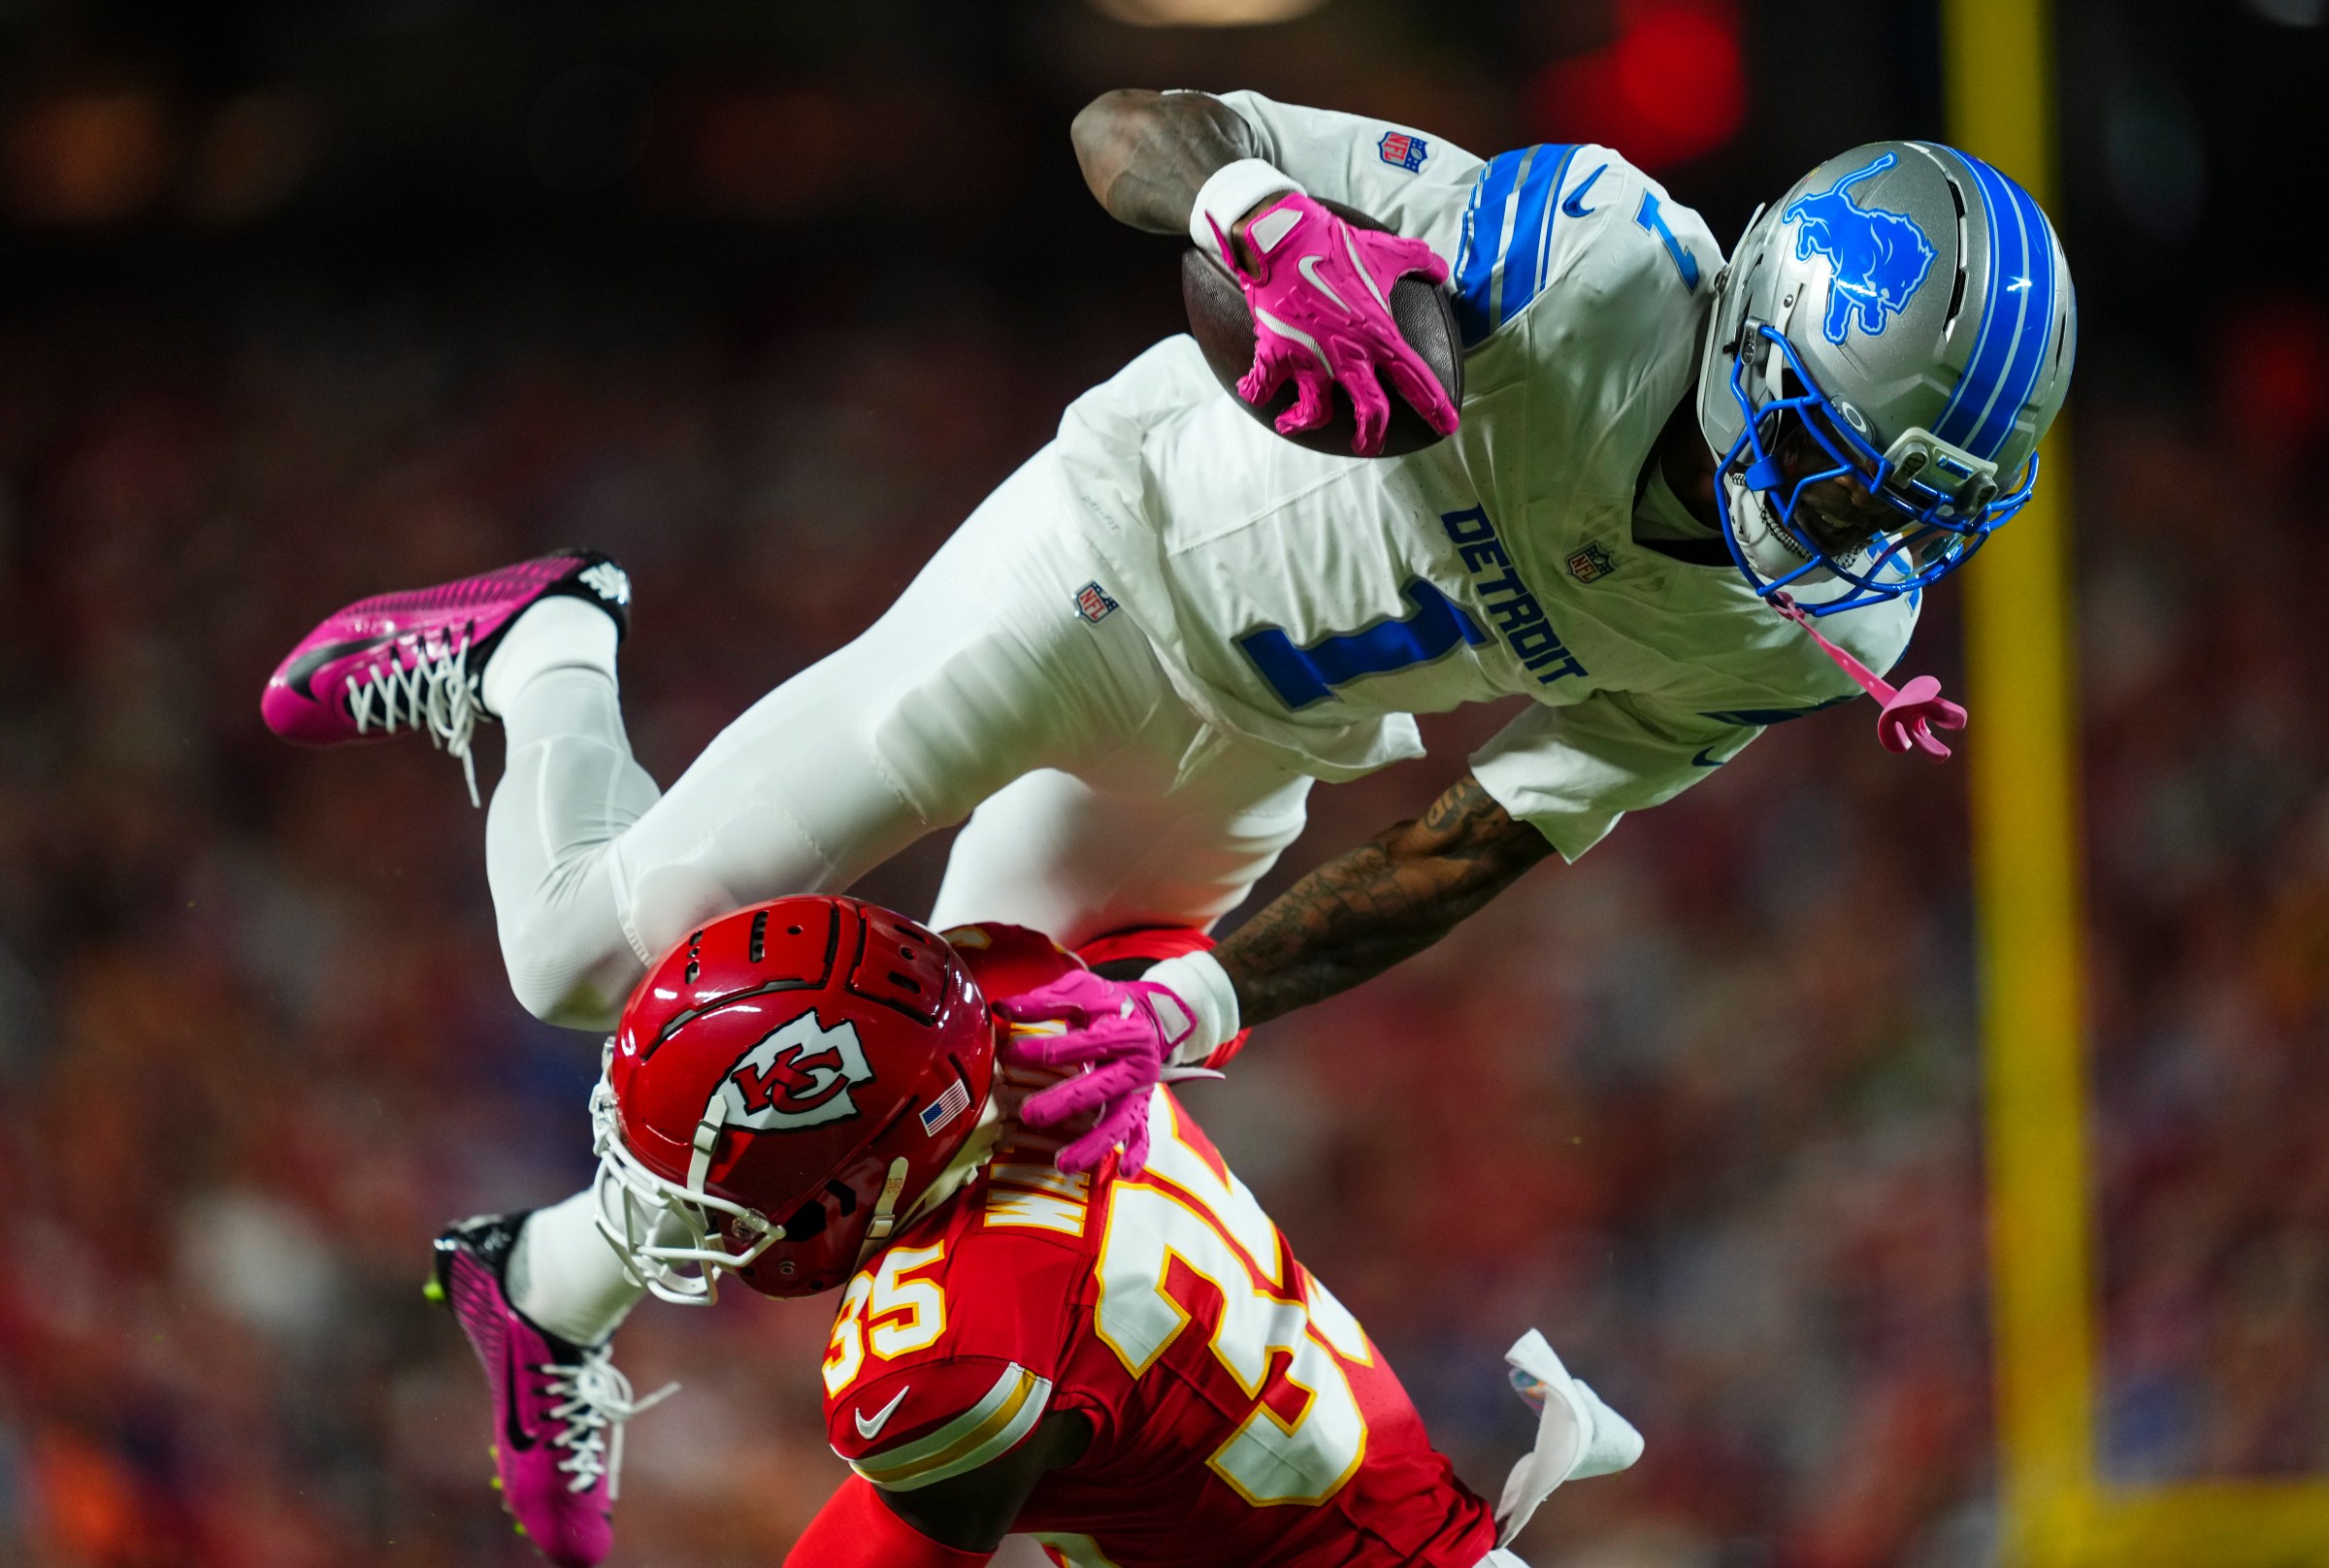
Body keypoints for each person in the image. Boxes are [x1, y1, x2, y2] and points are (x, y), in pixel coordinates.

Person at [263, 89, 2076, 1560]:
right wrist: (1264, 233)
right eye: (1842, 463)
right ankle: (549, 644)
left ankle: (541, 1283)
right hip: (1091, 575)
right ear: (1764, 323)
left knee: (967, 1137)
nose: (1851, 537)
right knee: (585, 952)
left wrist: (1185, 1006)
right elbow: (1137, 127)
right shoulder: (1580, 253)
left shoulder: (1820, 624)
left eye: (1906, 508)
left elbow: (1486, 833)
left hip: (1247, 746)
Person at [467, 894, 1640, 1567]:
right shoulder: (1028, 1006)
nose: (690, 1217)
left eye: (727, 1194)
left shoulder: (952, 1354)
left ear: (864, 1173)